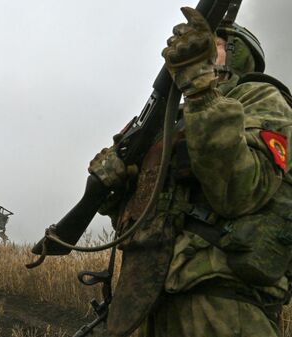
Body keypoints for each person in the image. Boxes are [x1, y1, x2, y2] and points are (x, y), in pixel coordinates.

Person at [88, 7, 292, 337]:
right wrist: (116, 190)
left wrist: (199, 89)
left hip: (222, 305)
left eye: (215, 43)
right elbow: (148, 216)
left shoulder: (262, 97)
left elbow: (240, 189)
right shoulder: (178, 120)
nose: (202, 48)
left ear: (239, 54)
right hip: (150, 302)